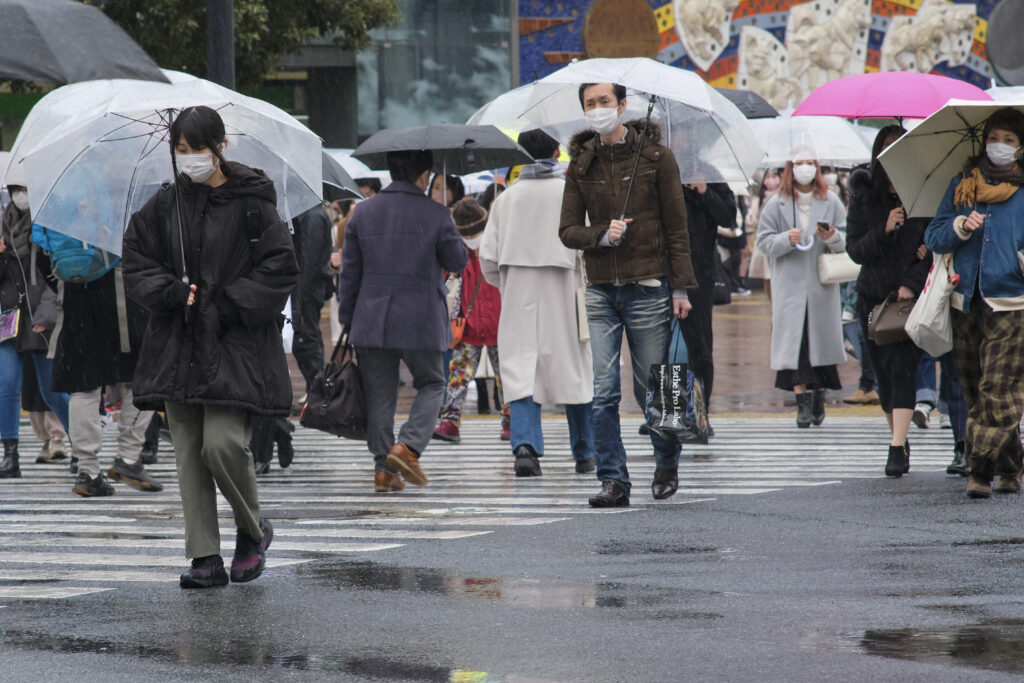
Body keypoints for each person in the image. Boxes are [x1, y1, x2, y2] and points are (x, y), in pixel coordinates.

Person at [123, 105, 298, 587]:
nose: (189, 159)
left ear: (219, 147)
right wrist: (172, 292)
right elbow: (135, 261)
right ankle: (204, 556)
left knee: (221, 445)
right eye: (181, 151)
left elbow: (281, 267)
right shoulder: (164, 205)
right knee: (187, 452)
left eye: (197, 149)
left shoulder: (252, 204)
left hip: (234, 346)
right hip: (177, 346)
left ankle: (251, 528)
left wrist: (229, 303)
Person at [559, 82, 696, 508]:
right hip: (600, 290)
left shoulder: (657, 159)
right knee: (603, 391)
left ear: (622, 105)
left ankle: (666, 461)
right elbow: (567, 231)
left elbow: (677, 229)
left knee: (652, 387)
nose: (598, 109)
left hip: (649, 288)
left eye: (604, 102)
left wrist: (680, 288)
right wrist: (602, 234)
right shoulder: (580, 165)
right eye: (590, 104)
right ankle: (613, 479)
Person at [337, 149, 467, 494]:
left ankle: (383, 469)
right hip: (421, 317)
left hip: (372, 316)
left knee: (380, 394)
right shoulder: (436, 213)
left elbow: (350, 272)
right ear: (424, 176)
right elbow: (457, 260)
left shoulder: (363, 213)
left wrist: (347, 317)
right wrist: (448, 225)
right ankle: (406, 448)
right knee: (433, 383)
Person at [480, 129, 595, 477]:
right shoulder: (572, 194)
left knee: (521, 370)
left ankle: (525, 447)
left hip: (519, 293)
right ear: (558, 151)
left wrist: (510, 283)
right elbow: (590, 247)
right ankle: (585, 451)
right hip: (565, 289)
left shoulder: (506, 198)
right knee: (575, 370)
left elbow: (488, 260)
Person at [924, 107, 1024, 499]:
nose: (999, 145)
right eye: (995, 137)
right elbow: (933, 237)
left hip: (1011, 302)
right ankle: (1012, 465)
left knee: (997, 388)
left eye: (1009, 140)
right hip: (965, 301)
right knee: (974, 388)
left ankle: (978, 469)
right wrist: (958, 227)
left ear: (1020, 148)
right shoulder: (963, 185)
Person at [846, 125, 932, 477]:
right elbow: (854, 250)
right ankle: (898, 434)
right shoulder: (864, 196)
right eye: (886, 146)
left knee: (903, 369)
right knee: (883, 373)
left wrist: (911, 283)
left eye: (899, 146)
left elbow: (932, 249)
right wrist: (884, 228)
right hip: (873, 298)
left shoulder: (923, 194)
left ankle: (896, 448)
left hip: (909, 298)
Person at [50, 266, 165, 497]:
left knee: (83, 387)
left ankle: (87, 471)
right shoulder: (123, 228)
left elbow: (44, 264)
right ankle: (129, 456)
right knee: (147, 377)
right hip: (126, 300)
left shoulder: (66, 227)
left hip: (75, 299)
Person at [756, 147, 847, 428]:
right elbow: (764, 242)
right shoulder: (776, 203)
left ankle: (819, 397)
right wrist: (786, 239)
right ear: (789, 167)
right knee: (795, 346)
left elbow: (846, 239)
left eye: (810, 163)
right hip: (790, 285)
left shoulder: (831, 200)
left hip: (821, 285)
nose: (804, 168)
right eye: (799, 163)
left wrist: (831, 236)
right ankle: (801, 406)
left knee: (820, 343)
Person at [0, 185, 69, 478]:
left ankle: (80, 446)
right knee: (7, 384)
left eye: (25, 189)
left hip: (40, 316)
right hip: (7, 317)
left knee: (52, 389)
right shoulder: (3, 225)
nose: (20, 195)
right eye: (15, 189)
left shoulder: (47, 226)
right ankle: (10, 454)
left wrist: (47, 314)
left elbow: (56, 277)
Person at [432, 197, 510, 442]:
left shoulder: (499, 246)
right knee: (458, 375)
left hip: (501, 324)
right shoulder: (456, 253)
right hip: (468, 326)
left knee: (506, 376)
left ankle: (510, 421)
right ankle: (450, 420)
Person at [681, 179, 737, 420]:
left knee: (699, 345)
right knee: (665, 344)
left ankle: (699, 412)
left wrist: (704, 192)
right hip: (661, 270)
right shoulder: (656, 169)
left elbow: (728, 218)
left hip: (699, 272)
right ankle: (668, 411)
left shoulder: (710, 177)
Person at [289, 204, 335, 398]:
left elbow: (308, 260)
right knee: (307, 337)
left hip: (307, 289)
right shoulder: (312, 214)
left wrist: (299, 294)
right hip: (309, 287)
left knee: (306, 338)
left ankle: (317, 388)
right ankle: (316, 386)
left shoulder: (312, 217)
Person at [746, 169, 780, 300]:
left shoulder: (784, 197)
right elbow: (755, 221)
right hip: (763, 242)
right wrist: (752, 219)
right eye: (768, 177)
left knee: (776, 276)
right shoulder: (759, 199)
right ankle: (772, 304)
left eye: (774, 176)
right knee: (767, 277)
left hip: (777, 239)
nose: (771, 180)